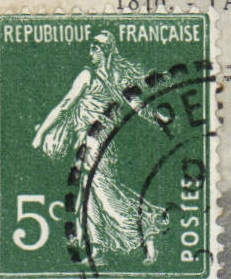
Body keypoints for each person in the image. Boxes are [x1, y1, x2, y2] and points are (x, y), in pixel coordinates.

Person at [31, 31, 167, 263]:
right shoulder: (114, 77)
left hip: (98, 144)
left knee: (106, 196)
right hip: (88, 143)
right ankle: (96, 248)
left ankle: (149, 228)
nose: (90, 53)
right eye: (90, 48)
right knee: (88, 194)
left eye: (95, 49)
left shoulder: (92, 76)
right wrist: (156, 118)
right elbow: (137, 106)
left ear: (105, 52)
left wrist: (42, 133)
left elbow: (66, 106)